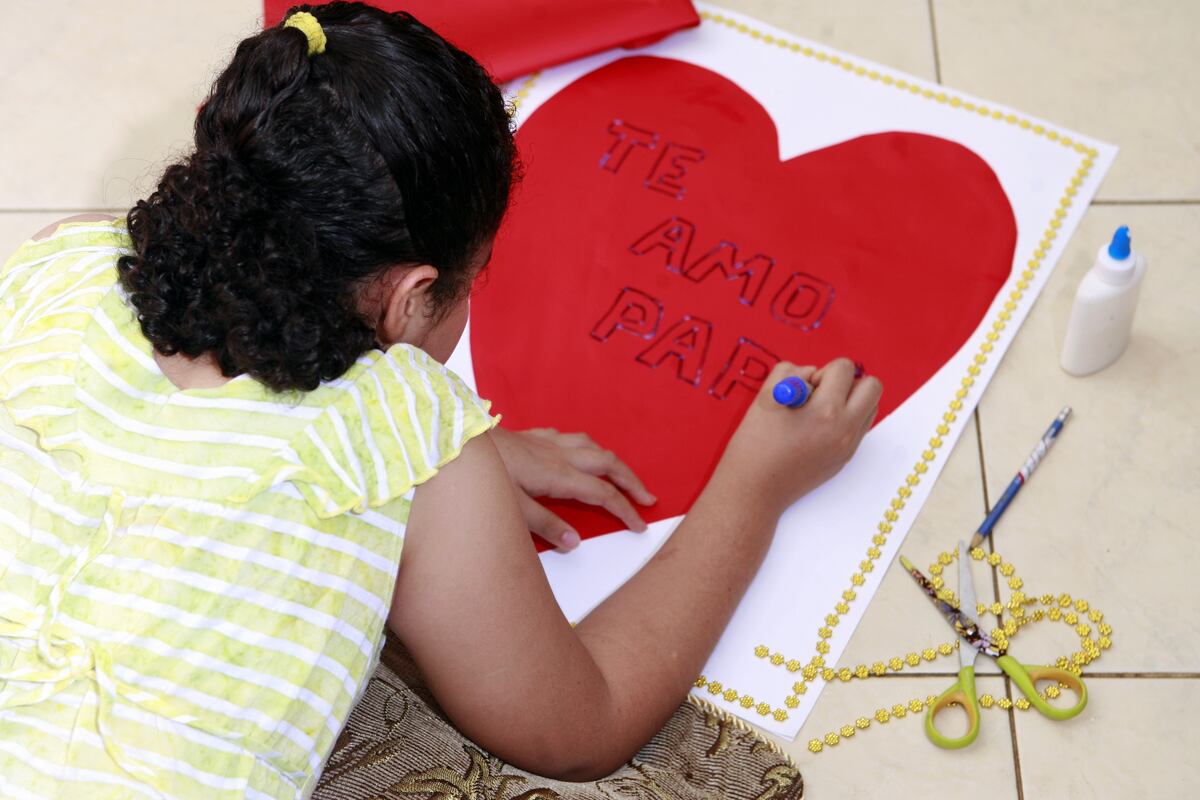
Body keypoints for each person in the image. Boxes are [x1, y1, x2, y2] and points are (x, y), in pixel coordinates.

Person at [0, 3, 881, 797]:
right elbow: (582, 727)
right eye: (473, 283)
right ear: (414, 296)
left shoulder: (57, 266)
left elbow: (179, 444)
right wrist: (758, 486)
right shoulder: (411, 434)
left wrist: (476, 462)